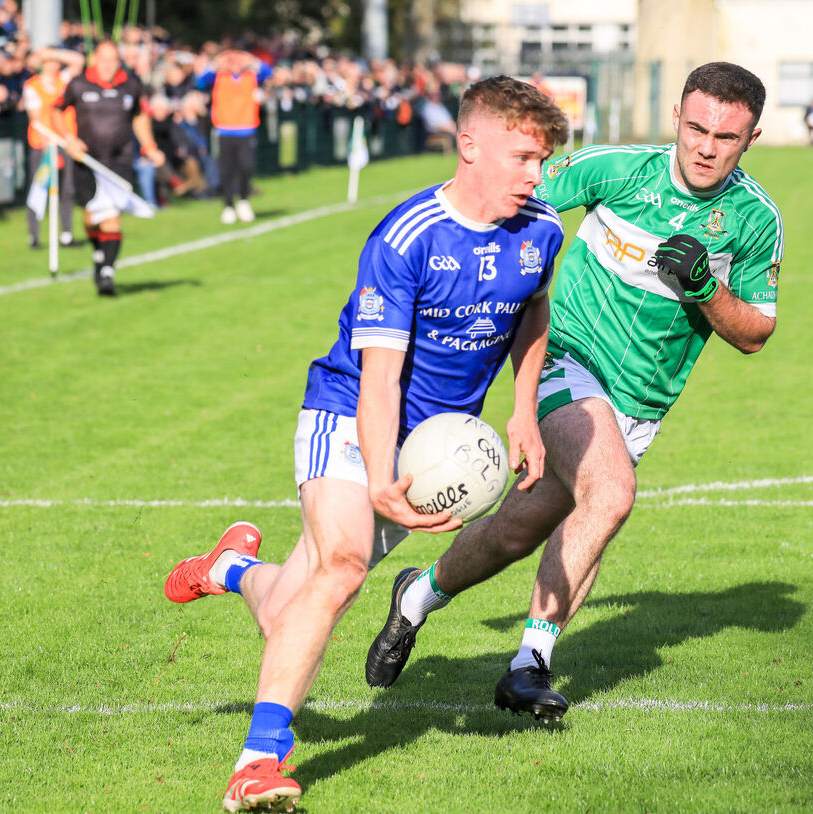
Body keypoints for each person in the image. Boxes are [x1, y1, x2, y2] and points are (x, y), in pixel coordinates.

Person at [162, 75, 569, 811]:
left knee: (289, 609)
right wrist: (380, 476)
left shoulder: (541, 230)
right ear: (469, 145)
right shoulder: (407, 237)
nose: (536, 176)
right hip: (350, 414)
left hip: (431, 445)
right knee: (344, 568)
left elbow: (531, 314)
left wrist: (523, 410)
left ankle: (229, 568)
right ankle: (258, 762)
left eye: (542, 160)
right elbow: (378, 378)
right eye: (523, 158)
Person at [364, 61, 783, 723]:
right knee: (611, 495)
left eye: (725, 137)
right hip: (566, 360)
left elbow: (756, 332)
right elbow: (506, 200)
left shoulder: (755, 220)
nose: (706, 147)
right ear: (676, 116)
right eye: (696, 128)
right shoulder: (615, 170)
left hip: (640, 406)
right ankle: (528, 666)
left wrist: (707, 287)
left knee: (514, 533)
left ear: (751, 138)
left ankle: (415, 598)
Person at [52, 40, 163, 296]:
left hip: (118, 161)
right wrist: (69, 139)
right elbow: (56, 111)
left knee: (111, 213)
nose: (108, 66)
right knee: (92, 216)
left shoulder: (131, 85)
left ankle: (107, 272)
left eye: (113, 60)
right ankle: (99, 254)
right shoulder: (78, 84)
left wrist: (149, 147)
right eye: (104, 59)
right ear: (95, 60)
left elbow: (140, 116)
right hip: (86, 160)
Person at [200, 48, 270, 224]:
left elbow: (269, 72)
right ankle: (228, 205)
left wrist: (251, 60)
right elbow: (199, 81)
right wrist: (217, 63)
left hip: (246, 129)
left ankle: (244, 199)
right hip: (224, 130)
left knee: (246, 166)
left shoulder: (251, 76)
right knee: (226, 170)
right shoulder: (218, 76)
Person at [22, 47, 82, 250]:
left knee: (67, 189)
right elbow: (36, 120)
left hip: (65, 142)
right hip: (43, 145)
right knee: (39, 188)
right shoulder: (32, 86)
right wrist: (48, 146)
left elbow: (77, 61)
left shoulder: (63, 81)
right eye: (48, 61)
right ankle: (34, 236)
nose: (53, 64)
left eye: (55, 61)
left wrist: (51, 52)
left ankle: (66, 234)